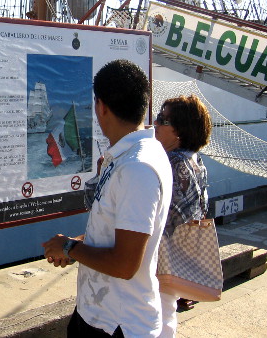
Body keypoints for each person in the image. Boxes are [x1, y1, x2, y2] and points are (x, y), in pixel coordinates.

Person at [42, 59, 172, 337]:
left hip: (118, 324)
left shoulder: (137, 168)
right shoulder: (130, 156)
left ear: (101, 106)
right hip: (97, 314)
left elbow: (125, 264)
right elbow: (115, 235)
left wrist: (68, 248)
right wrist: (75, 245)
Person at [154, 94, 212, 337]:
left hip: (161, 261)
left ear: (178, 131)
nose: (154, 123)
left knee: (159, 316)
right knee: (167, 316)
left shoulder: (171, 164)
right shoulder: (195, 161)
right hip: (181, 259)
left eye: (161, 119)